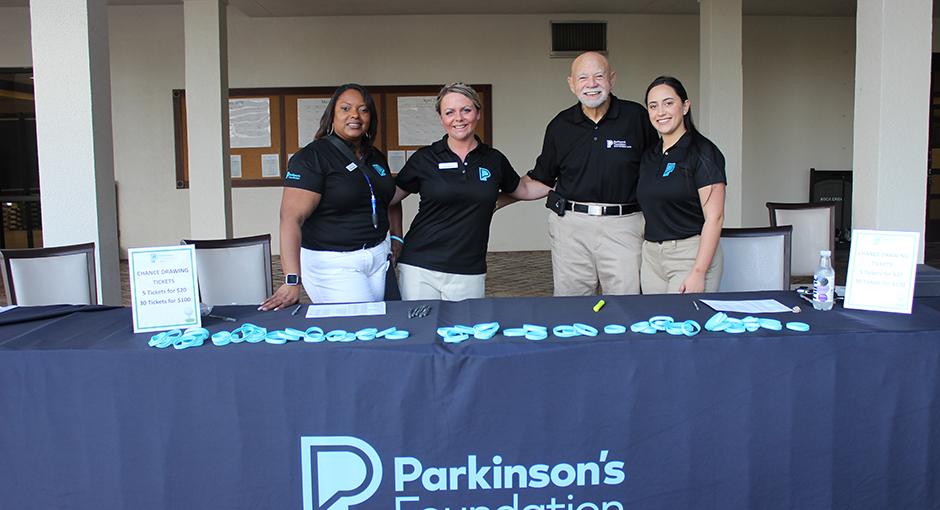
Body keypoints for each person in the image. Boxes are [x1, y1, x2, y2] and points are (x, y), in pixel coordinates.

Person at [510, 51, 658, 296]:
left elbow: (657, 171)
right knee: (571, 307)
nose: (591, 84)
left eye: (599, 76)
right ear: (571, 84)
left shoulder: (637, 118)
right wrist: (497, 199)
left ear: (612, 79)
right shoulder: (560, 125)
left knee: (626, 303)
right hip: (571, 227)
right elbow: (542, 180)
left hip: (624, 226)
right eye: (583, 78)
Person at [260, 84, 400, 310]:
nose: (355, 115)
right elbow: (290, 219)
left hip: (378, 258)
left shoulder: (375, 157)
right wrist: (292, 279)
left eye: (363, 110)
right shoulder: (312, 157)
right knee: (361, 329)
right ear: (332, 116)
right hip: (335, 263)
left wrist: (396, 237)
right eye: (346, 108)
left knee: (386, 324)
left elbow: (390, 198)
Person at [391, 83, 522, 300]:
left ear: (478, 113)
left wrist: (564, 183)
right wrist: (396, 236)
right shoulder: (425, 158)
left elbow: (522, 189)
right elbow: (390, 197)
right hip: (420, 265)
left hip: (468, 268)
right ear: (441, 118)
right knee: (421, 331)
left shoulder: (493, 159)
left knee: (465, 332)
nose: (458, 118)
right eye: (449, 112)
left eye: (466, 110)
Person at [637, 76, 725, 294]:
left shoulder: (703, 152)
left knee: (682, 325)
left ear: (685, 106)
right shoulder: (650, 155)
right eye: (653, 106)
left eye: (669, 103)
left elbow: (715, 218)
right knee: (655, 325)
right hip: (652, 257)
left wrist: (698, 272)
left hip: (689, 255)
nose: (661, 112)